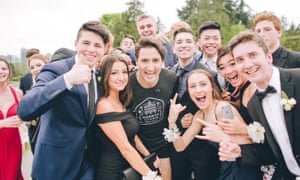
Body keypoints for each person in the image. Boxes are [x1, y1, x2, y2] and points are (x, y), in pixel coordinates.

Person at [17, 20, 111, 180]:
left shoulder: (97, 77)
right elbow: (25, 109)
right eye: (86, 43)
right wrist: (67, 80)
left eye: (97, 45)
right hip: (54, 166)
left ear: (105, 49)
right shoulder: (56, 70)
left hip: (86, 165)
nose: (91, 49)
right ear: (76, 44)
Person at [219, 30, 300, 179]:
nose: (247, 64)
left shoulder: (298, 79)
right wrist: (239, 152)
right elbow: (270, 152)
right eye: (240, 60)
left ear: (268, 56)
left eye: (253, 55)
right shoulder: (254, 105)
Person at [94, 54, 161, 180]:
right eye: (114, 73)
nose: (121, 77)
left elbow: (132, 136)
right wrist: (152, 177)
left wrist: (149, 157)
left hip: (131, 168)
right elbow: (125, 148)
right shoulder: (104, 105)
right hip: (113, 172)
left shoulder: (122, 101)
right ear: (104, 75)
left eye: (124, 72)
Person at [169, 27, 219, 180]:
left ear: (196, 46)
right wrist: (176, 120)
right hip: (177, 142)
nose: (184, 45)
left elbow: (216, 102)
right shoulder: (169, 73)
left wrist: (195, 117)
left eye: (188, 41)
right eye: (179, 42)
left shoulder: (209, 74)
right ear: (174, 48)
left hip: (202, 146)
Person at [130, 37, 177, 180]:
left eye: (155, 60)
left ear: (162, 61)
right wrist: (147, 156)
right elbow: (125, 128)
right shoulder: (126, 85)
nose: (150, 68)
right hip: (136, 149)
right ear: (136, 61)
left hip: (164, 147)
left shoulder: (171, 78)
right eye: (144, 61)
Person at [216, 46, 263, 179]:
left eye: (232, 64)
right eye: (222, 67)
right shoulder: (241, 91)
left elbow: (271, 135)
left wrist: (244, 129)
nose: (228, 71)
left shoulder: (255, 89)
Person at [0, 57, 24, 180]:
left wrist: (22, 118)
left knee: (12, 175)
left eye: (4, 68)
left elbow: (24, 114)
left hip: (13, 144)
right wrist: (3, 123)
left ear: (9, 71)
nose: (1, 72)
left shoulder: (17, 93)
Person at [25, 54, 49, 154]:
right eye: (32, 67)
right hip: (35, 133)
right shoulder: (31, 89)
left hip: (53, 135)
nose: (36, 69)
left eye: (39, 65)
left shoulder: (57, 84)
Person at [197, 21, 226, 90]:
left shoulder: (229, 62)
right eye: (206, 38)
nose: (211, 42)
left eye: (215, 38)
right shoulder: (194, 63)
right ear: (200, 41)